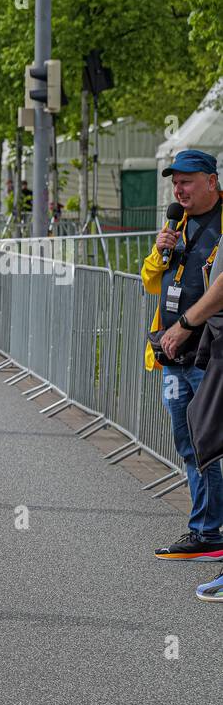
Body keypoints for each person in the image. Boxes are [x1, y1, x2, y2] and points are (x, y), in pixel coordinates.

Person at [140, 149, 223, 563]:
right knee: (189, 443)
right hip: (173, 356)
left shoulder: (221, 224)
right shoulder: (178, 225)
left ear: (212, 181)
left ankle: (209, 529)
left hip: (210, 356)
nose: (179, 189)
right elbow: (150, 283)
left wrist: (186, 325)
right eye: (175, 182)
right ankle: (205, 530)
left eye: (187, 181)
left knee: (209, 442)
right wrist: (160, 249)